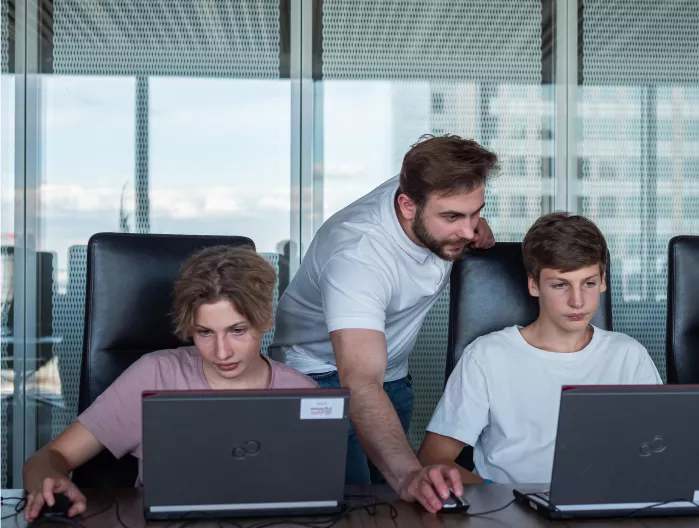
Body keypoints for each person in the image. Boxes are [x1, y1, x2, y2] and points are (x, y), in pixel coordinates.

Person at [270, 135, 499, 512]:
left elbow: (454, 212)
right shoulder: (358, 255)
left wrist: (468, 224)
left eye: (475, 212)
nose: (469, 230)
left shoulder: (428, 190)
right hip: (321, 379)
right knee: (352, 506)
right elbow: (358, 379)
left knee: (397, 507)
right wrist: (410, 473)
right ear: (406, 206)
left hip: (391, 375)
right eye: (453, 217)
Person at [22, 245, 317, 522]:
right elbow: (49, 457)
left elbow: (316, 493)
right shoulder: (155, 375)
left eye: (237, 331)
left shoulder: (304, 394)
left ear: (266, 320)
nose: (222, 351)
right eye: (205, 333)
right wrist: (50, 479)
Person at [417, 212, 663, 485]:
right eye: (560, 285)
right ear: (534, 284)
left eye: (589, 283)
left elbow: (662, 450)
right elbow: (432, 459)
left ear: (603, 281)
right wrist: (500, 497)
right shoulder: (488, 357)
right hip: (509, 511)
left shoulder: (628, 355)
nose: (578, 301)